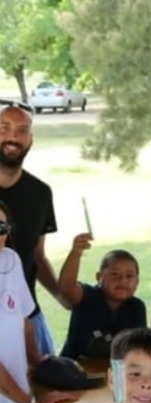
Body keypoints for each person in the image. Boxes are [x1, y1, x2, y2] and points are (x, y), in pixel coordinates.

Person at [0, 200, 74, 403]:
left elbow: (25, 321)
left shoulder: (10, 261)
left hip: (10, 400)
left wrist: (38, 364)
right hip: (14, 395)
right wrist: (30, 402)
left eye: (2, 228)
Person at [0, 102, 61, 355]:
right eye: (4, 128)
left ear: (31, 140)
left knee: (48, 387)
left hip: (28, 317)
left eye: (22, 130)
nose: (13, 136)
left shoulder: (40, 193)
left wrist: (64, 297)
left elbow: (37, 255)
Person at [58, 240, 146, 360]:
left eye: (129, 276)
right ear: (99, 277)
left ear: (137, 282)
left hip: (118, 371)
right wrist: (76, 253)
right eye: (115, 274)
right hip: (76, 370)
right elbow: (66, 289)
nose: (122, 281)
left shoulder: (136, 307)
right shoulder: (87, 297)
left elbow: (140, 348)